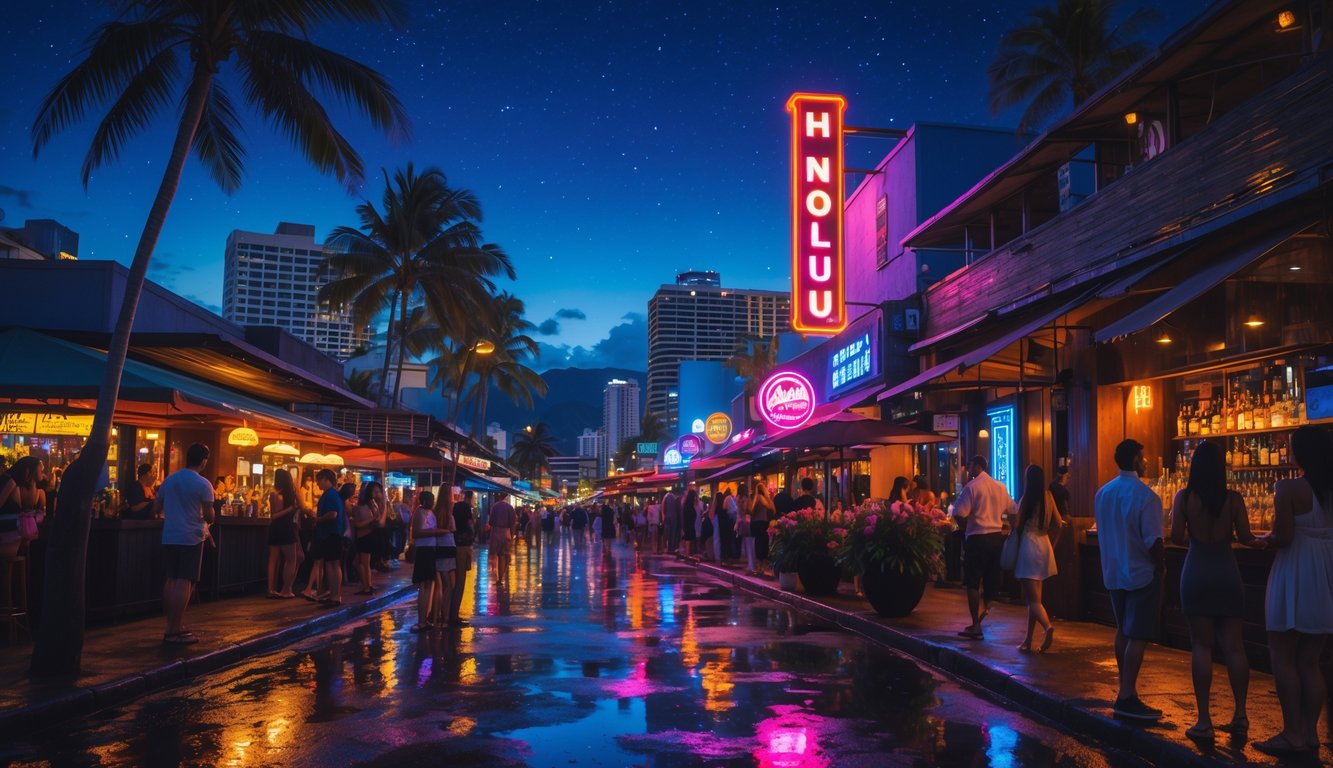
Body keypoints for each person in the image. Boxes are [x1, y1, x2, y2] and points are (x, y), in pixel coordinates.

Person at [1169, 440, 1260, 742]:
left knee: (1202, 647)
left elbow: (1176, 536)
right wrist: (1267, 541)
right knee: (1235, 647)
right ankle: (1241, 715)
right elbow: (1247, 537)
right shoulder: (1234, 499)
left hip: (1196, 572)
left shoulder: (1184, 499)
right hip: (1227, 573)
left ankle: (1204, 720)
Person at [1255, 425, 1333, 756]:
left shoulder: (1287, 489)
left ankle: (1291, 733)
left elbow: (1284, 537)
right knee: (1311, 660)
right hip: (1326, 573)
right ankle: (1311, 733)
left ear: (1299, 452)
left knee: (1283, 655)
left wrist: (1265, 541)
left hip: (1296, 571)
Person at [1093, 438, 1165, 722]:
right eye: (1143, 457)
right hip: (1140, 572)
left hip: (1112, 570)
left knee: (1123, 629)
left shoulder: (1103, 493)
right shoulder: (1146, 496)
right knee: (1138, 634)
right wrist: (1161, 567)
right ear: (1136, 459)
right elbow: (1153, 541)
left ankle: (1126, 690)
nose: (1146, 462)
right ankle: (1127, 695)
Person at [154, 443, 214, 644]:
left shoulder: (170, 480)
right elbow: (209, 515)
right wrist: (209, 514)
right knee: (184, 581)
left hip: (169, 535)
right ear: (203, 460)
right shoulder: (203, 484)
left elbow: (156, 507)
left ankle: (170, 626)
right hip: (191, 537)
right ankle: (175, 629)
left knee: (171, 579)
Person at [952, 456, 1015, 641]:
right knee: (991, 580)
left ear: (978, 466)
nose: (967, 469)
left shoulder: (972, 487)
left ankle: (975, 624)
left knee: (972, 581)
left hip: (977, 538)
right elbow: (1013, 510)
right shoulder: (1000, 487)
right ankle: (984, 614)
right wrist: (1012, 531)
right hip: (996, 537)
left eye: (969, 465)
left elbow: (958, 514)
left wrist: (967, 529)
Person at [1012, 464, 1065, 654]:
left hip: (1029, 545)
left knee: (1032, 600)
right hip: (1045, 546)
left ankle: (1047, 627)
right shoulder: (1049, 496)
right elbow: (1059, 524)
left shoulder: (1026, 499)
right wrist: (1053, 543)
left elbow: (1017, 524)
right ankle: (1027, 640)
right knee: (1035, 600)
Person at [409, 490, 446, 632]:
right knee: (423, 586)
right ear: (423, 500)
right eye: (430, 500)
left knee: (429, 586)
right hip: (423, 550)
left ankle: (425, 619)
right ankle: (421, 620)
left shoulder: (431, 513)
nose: (432, 502)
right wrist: (436, 532)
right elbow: (417, 532)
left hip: (431, 550)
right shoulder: (419, 512)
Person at [311, 469, 348, 607]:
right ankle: (333, 594)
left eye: (319, 480)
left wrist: (318, 519)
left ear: (326, 479)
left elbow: (333, 514)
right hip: (331, 534)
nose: (317, 483)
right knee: (331, 564)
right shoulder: (331, 494)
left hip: (332, 533)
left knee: (333, 564)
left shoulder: (331, 495)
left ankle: (335, 596)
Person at [265, 468, 303, 599]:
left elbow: (272, 516)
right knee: (291, 559)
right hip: (286, 527)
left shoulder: (273, 494)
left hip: (274, 528)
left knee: (273, 559)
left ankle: (271, 589)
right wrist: (290, 508)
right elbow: (275, 515)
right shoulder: (290, 497)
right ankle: (286, 589)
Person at [0, 457, 47, 558]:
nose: (43, 470)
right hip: (8, 532)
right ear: (29, 470)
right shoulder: (11, 483)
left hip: (15, 533)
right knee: (7, 569)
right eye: (40, 468)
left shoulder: (28, 487)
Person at [351, 481, 386, 595]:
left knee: (363, 563)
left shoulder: (368, 505)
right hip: (366, 536)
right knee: (360, 562)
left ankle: (367, 587)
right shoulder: (372, 504)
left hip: (365, 536)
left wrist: (369, 520)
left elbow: (359, 524)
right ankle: (367, 585)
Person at [450, 489, 477, 626]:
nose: (475, 501)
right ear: (469, 497)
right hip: (463, 545)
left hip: (454, 544)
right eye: (474, 498)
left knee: (453, 580)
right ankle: (453, 615)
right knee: (460, 581)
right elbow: (470, 524)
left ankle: (449, 612)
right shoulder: (466, 508)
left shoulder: (456, 507)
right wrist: (473, 533)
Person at [432, 493, 458, 628]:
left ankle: (438, 617)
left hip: (439, 548)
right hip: (448, 547)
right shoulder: (448, 515)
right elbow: (453, 529)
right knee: (449, 585)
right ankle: (444, 617)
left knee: (441, 585)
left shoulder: (434, 514)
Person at [488, 495, 516, 585]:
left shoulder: (495, 506)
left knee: (498, 555)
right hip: (507, 532)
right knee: (504, 555)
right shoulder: (510, 508)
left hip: (496, 531)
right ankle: (502, 575)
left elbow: (491, 522)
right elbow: (512, 523)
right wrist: (512, 535)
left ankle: (499, 579)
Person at [750, 483, 775, 575]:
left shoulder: (758, 497)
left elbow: (751, 510)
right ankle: (762, 565)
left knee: (760, 543)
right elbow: (772, 509)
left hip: (758, 523)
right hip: (763, 522)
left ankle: (760, 565)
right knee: (763, 543)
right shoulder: (763, 498)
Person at [681, 486, 699, 557]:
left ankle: (688, 554)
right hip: (690, 525)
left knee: (688, 539)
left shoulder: (687, 505)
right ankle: (688, 555)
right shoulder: (690, 507)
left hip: (688, 524)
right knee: (689, 539)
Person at [662, 486, 681, 554]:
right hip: (674, 518)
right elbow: (678, 509)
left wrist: (663, 518)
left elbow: (663, 509)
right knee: (673, 533)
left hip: (667, 517)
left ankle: (668, 548)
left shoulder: (666, 497)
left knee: (667, 534)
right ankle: (672, 548)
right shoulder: (675, 498)